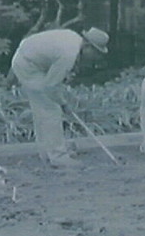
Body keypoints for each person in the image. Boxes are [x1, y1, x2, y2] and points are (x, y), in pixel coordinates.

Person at [10, 27, 109, 168]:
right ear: (87, 45)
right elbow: (51, 86)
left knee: (42, 109)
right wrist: (63, 103)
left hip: (30, 61)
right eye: (95, 52)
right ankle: (58, 156)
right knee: (50, 109)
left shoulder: (73, 40)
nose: (95, 57)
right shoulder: (68, 54)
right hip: (28, 66)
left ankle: (46, 153)